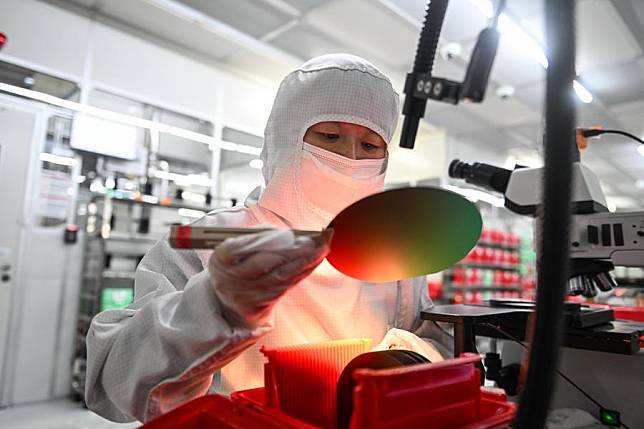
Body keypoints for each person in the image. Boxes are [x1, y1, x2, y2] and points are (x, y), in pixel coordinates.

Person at [85, 53, 451, 423]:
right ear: (285, 138)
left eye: (370, 147)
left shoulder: (393, 257)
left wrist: (402, 356)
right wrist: (211, 307)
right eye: (330, 136)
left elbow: (441, 349)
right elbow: (110, 384)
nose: (349, 159)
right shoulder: (210, 241)